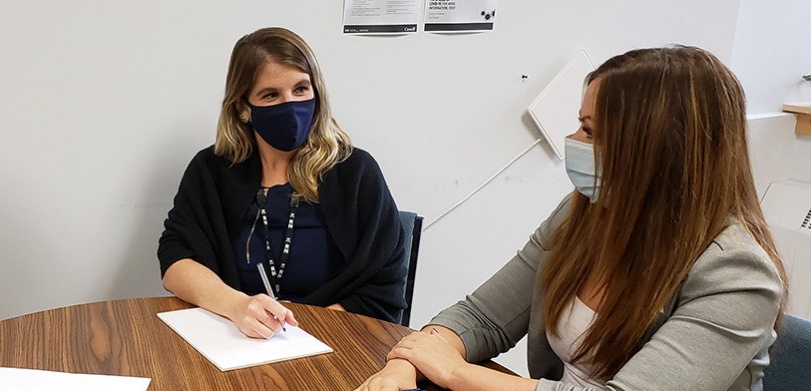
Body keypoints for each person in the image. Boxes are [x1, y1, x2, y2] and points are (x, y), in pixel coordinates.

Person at [357, 46, 787, 391]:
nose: (572, 141)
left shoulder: (739, 276)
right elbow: (481, 316)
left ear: (659, 152)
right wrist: (404, 369)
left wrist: (454, 373)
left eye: (591, 131)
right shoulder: (579, 215)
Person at [157, 27, 409, 339]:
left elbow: (385, 284)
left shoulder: (354, 171)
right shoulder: (212, 170)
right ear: (243, 107)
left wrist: (301, 334)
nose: (290, 106)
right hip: (235, 339)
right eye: (271, 94)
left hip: (335, 340)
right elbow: (176, 261)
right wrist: (237, 306)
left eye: (301, 89)